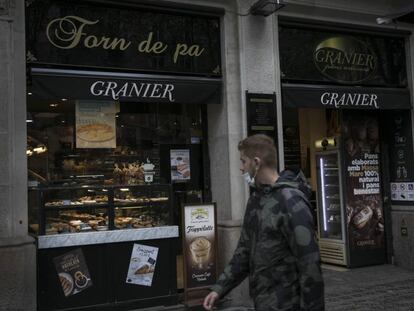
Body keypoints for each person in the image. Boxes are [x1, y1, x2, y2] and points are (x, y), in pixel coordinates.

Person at [203, 134, 324, 311]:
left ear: (257, 162)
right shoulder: (255, 200)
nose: (241, 168)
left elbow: (310, 265)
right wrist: (220, 288)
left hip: (288, 305)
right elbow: (243, 252)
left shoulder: (291, 202)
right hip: (263, 303)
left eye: (243, 161)